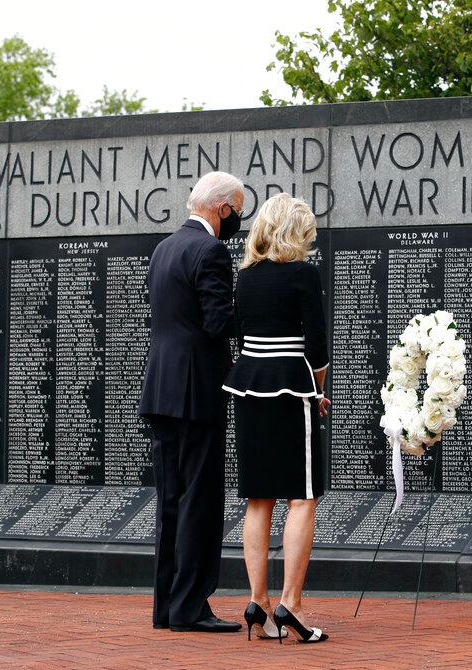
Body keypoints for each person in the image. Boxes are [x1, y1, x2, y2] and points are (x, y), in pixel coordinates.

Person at [138, 171, 245, 633]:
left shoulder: (164, 248)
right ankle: (191, 608)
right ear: (222, 208)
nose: (238, 218)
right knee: (200, 500)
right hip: (197, 392)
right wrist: (258, 308)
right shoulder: (211, 251)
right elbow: (218, 322)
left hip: (160, 389)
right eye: (237, 209)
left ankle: (166, 608)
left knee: (170, 500)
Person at [222, 193, 331, 644]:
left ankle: (257, 603)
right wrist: (318, 390)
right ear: (297, 231)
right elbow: (316, 347)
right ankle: (291, 605)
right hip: (291, 389)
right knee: (301, 498)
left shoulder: (244, 278)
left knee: (257, 499)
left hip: (247, 388)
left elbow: (243, 334)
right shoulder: (304, 275)